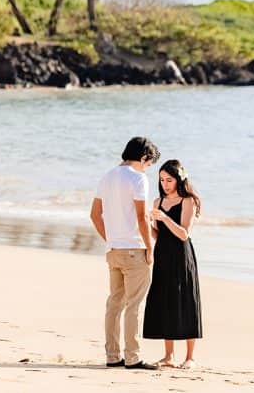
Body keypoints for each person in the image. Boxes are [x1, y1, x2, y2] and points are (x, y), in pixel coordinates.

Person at [89, 136, 161, 370]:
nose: (148, 168)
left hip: (114, 250)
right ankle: (132, 357)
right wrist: (150, 248)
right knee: (133, 305)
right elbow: (141, 218)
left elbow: (94, 215)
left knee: (114, 303)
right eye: (149, 164)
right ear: (143, 158)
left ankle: (112, 355)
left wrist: (110, 239)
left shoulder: (107, 176)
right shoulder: (138, 178)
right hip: (134, 249)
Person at [143, 159, 203, 369]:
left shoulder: (188, 201)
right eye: (162, 180)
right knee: (165, 300)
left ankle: (190, 357)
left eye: (169, 179)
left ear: (179, 179)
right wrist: (146, 223)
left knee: (186, 300)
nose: (165, 184)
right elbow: (158, 235)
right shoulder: (157, 202)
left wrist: (165, 218)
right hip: (163, 255)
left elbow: (184, 234)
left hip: (181, 256)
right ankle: (168, 355)